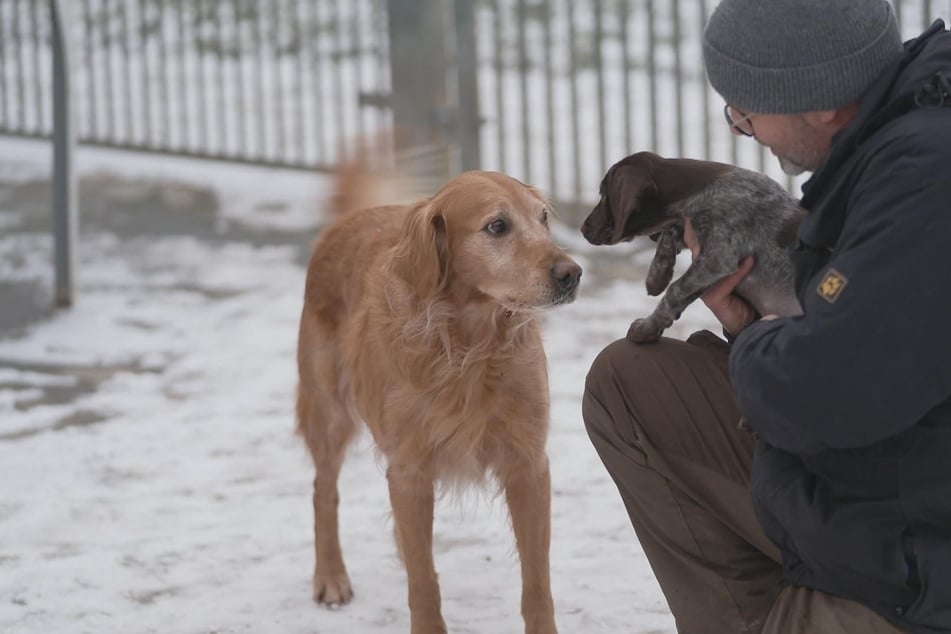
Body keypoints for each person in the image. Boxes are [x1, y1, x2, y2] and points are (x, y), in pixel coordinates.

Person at [582, 1, 951, 632]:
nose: (739, 128)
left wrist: (754, 344)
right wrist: (754, 329)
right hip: (877, 485)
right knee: (628, 380)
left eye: (746, 111)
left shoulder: (922, 180)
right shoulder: (891, 148)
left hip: (912, 559)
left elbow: (828, 396)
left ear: (821, 102)